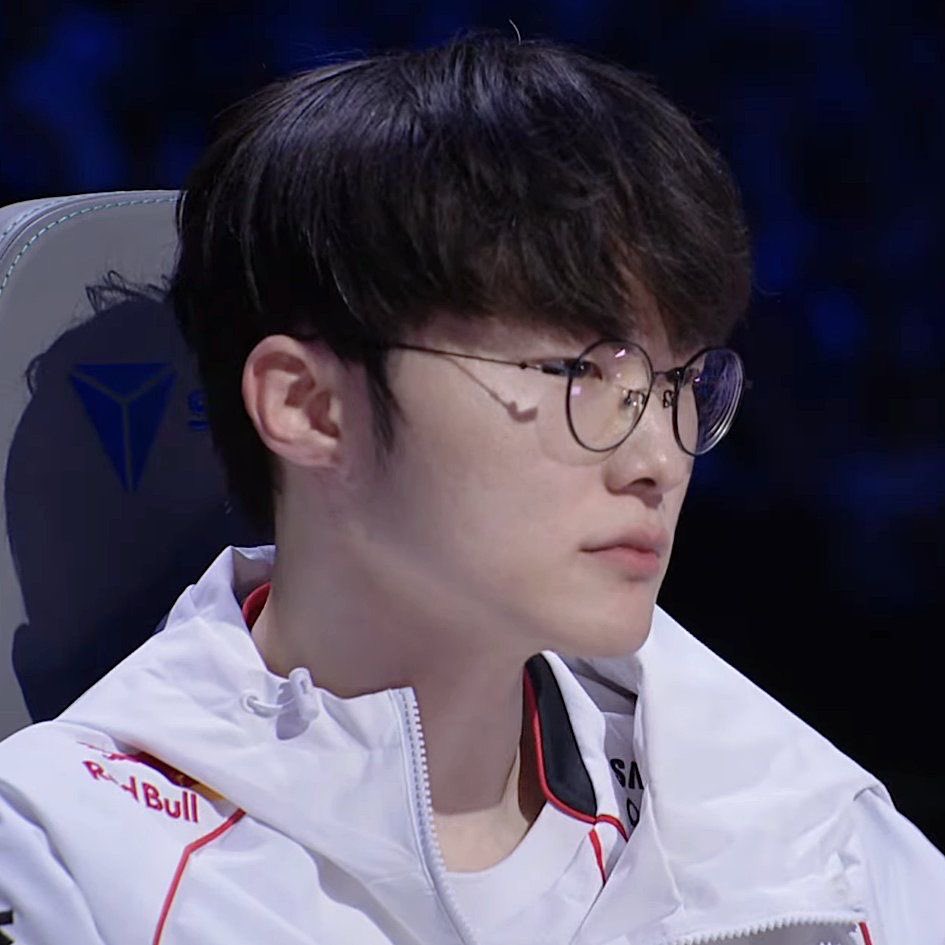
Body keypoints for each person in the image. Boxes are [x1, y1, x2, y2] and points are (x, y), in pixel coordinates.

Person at [0, 32, 942, 945]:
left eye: (677, 383)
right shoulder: (64, 862)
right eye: (580, 371)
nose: (657, 455)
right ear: (309, 407)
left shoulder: (805, 834)